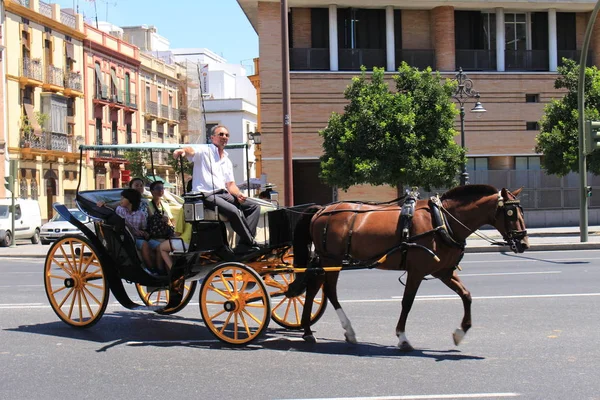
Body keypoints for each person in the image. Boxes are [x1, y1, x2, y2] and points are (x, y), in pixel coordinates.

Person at [173, 125, 261, 253]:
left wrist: (238, 194)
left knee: (254, 207)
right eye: (221, 134)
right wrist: (181, 151)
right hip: (205, 194)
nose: (224, 137)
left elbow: (231, 185)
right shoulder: (204, 150)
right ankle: (250, 242)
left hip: (223, 194)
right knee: (233, 211)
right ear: (212, 137)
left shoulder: (227, 160)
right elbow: (190, 150)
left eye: (226, 135)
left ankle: (244, 244)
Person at [114, 188, 158, 269]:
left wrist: (143, 232)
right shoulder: (120, 210)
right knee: (144, 244)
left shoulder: (140, 214)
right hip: (128, 238)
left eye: (123, 198)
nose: (121, 200)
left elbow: (143, 228)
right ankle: (151, 269)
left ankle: (161, 269)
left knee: (159, 246)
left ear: (130, 199)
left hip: (139, 237)